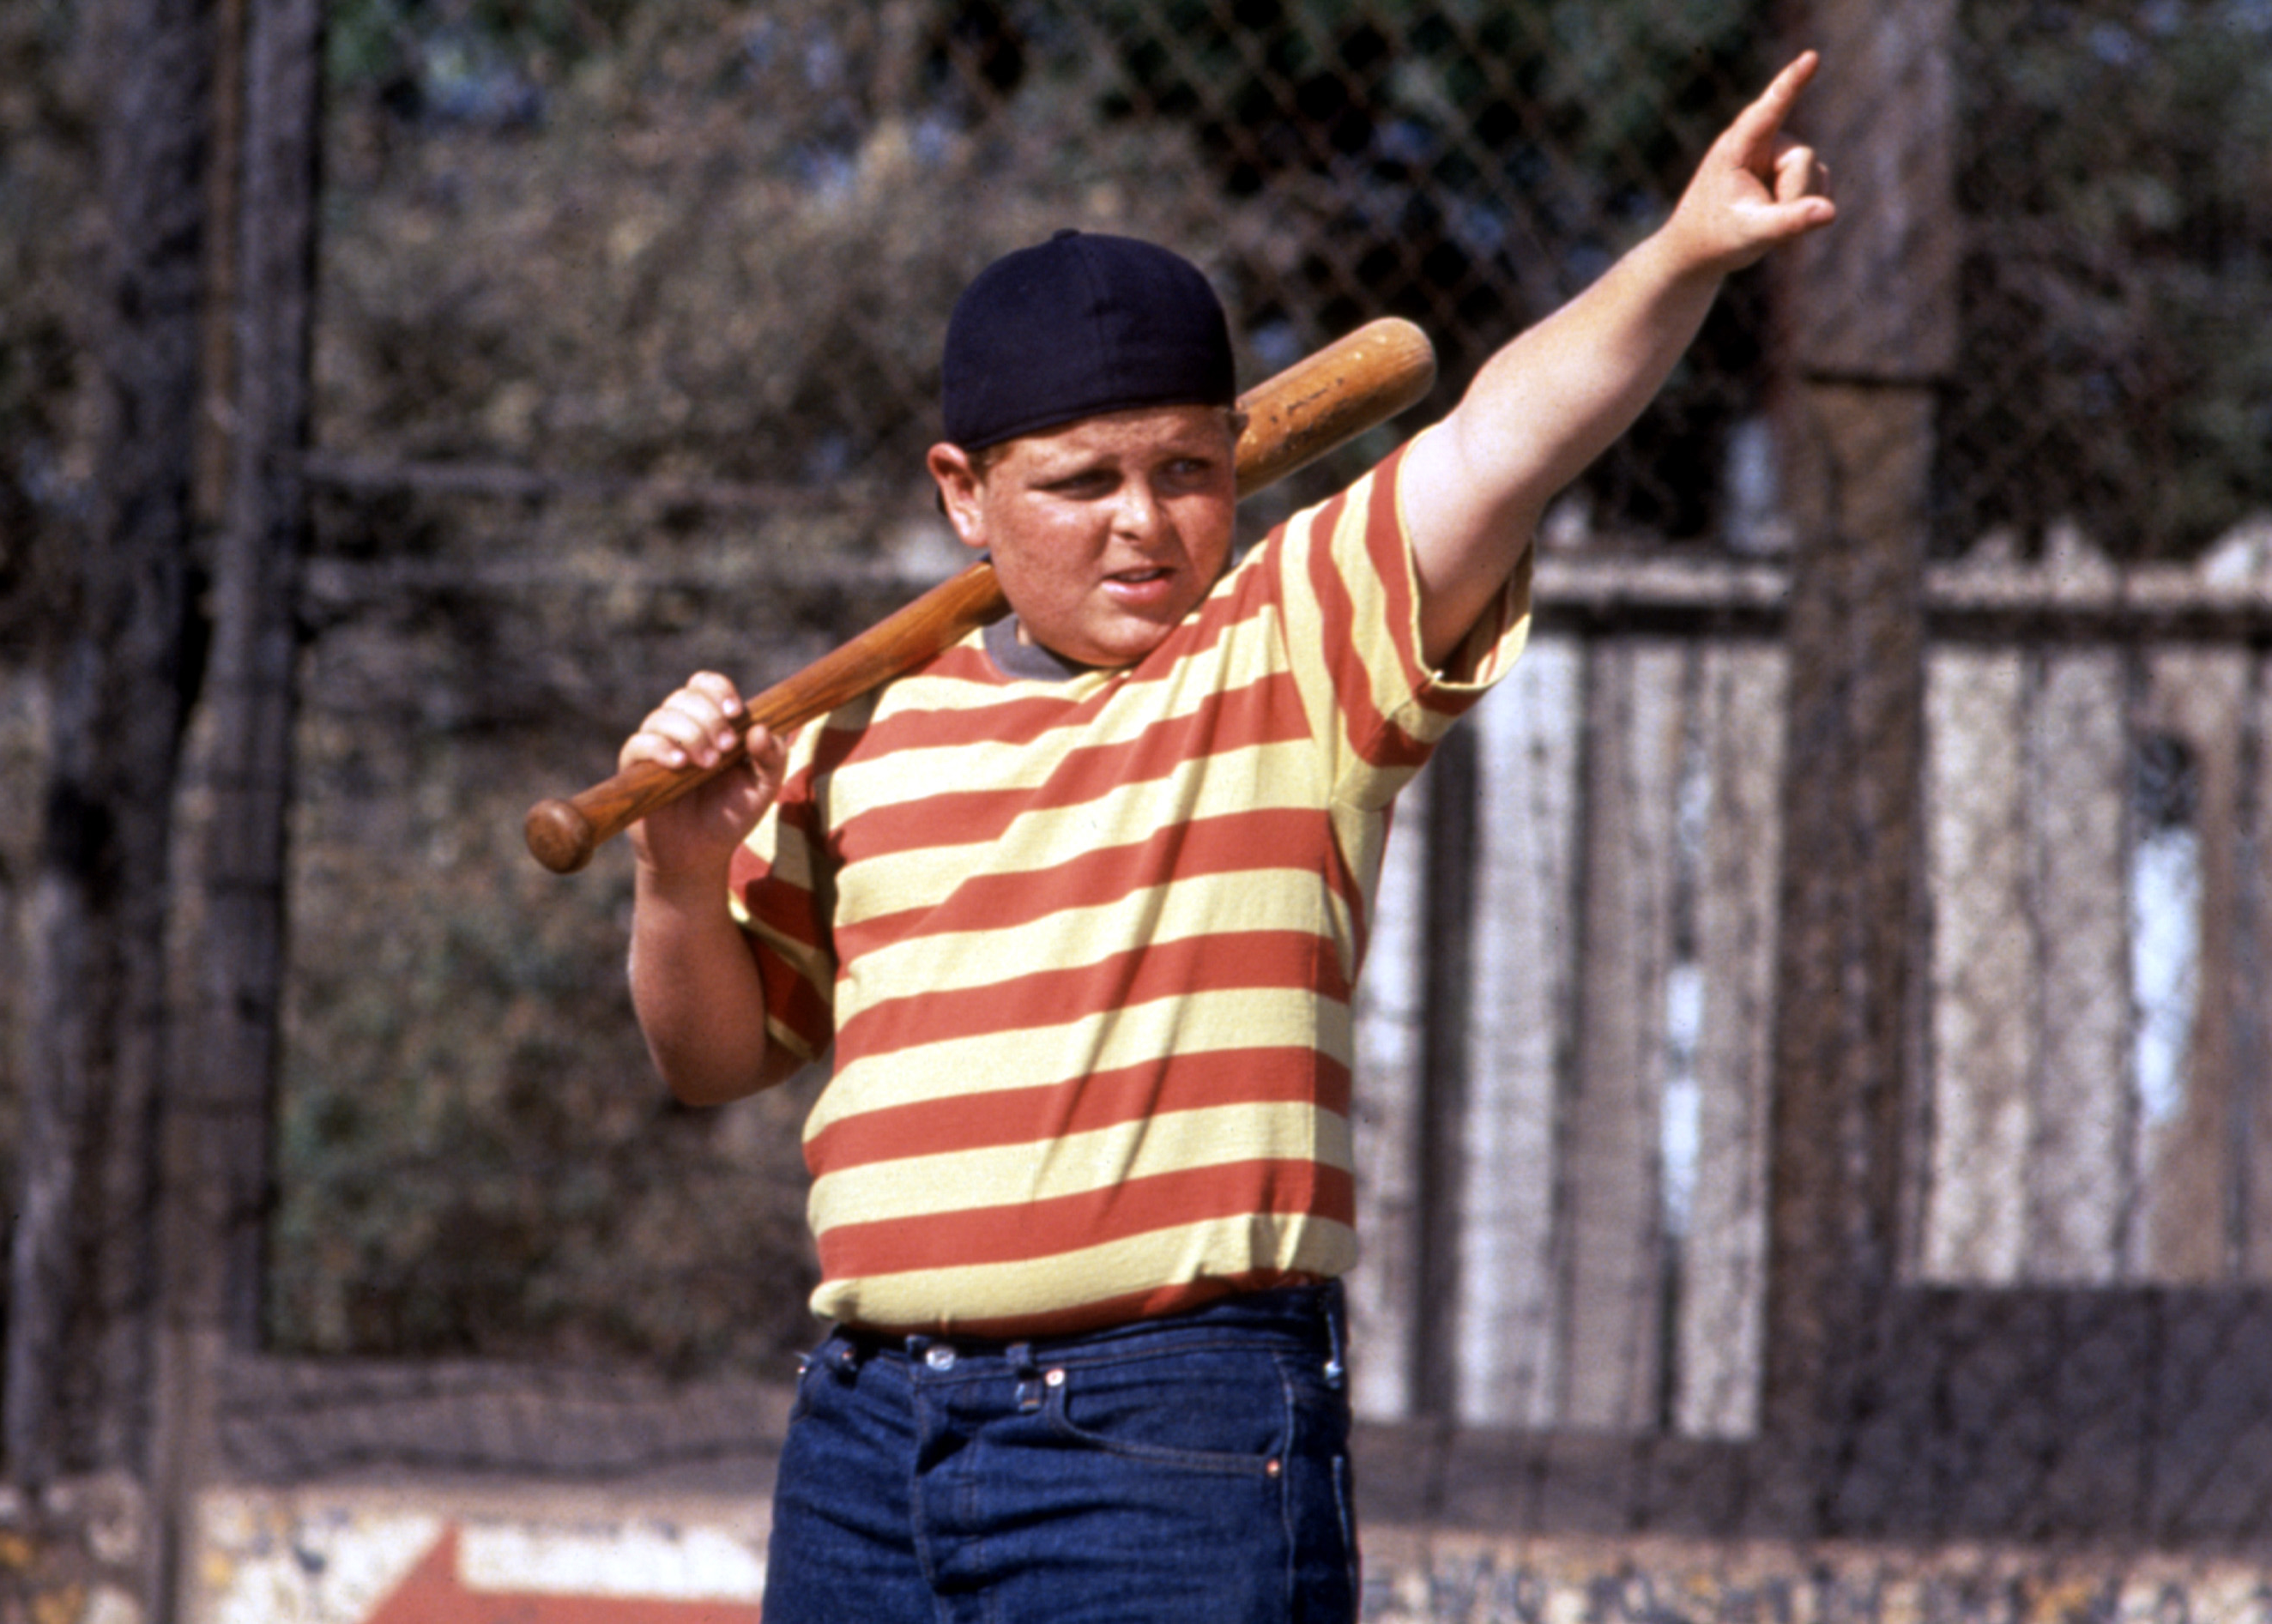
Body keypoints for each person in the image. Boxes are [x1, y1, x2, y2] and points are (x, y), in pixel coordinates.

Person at [618, 52, 1834, 1624]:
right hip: (863, 1438)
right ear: (963, 495)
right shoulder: (862, 733)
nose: (1144, 520)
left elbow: (1503, 437)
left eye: (1188, 471)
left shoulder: (1293, 647)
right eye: (1082, 483)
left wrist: (1678, 257)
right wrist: (673, 871)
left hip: (1168, 1434)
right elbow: (710, 1056)